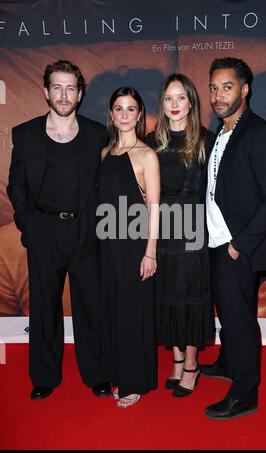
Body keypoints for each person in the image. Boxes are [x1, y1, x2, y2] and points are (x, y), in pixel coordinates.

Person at [6, 60, 111, 400]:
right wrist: (29, 222)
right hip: (44, 230)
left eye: (70, 88)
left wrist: (98, 225)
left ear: (79, 94)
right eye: (57, 87)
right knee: (44, 307)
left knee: (91, 307)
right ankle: (44, 376)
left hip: (85, 231)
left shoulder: (97, 135)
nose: (63, 95)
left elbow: (107, 185)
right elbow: (16, 184)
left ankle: (97, 372)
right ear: (45, 92)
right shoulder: (24, 133)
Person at [202, 57, 266, 419]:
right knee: (229, 314)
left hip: (237, 247)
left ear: (245, 88)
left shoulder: (260, 134)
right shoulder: (220, 132)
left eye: (227, 86)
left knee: (238, 319)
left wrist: (239, 244)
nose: (219, 95)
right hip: (216, 242)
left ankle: (245, 392)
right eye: (213, 88)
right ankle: (227, 361)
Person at [146, 73, 215, 398]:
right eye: (169, 99)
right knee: (168, 299)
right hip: (162, 233)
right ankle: (175, 360)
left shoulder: (206, 140)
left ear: (191, 101)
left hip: (192, 234)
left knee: (188, 299)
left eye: (181, 98)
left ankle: (191, 365)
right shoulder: (150, 142)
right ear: (162, 103)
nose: (174, 105)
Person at [97, 87, 160, 408]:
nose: (124, 114)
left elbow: (155, 208)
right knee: (112, 311)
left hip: (134, 246)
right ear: (111, 114)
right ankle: (119, 373)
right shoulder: (105, 154)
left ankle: (136, 381)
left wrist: (150, 252)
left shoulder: (147, 155)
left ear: (139, 114)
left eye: (130, 109)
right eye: (118, 108)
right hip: (107, 246)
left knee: (133, 314)